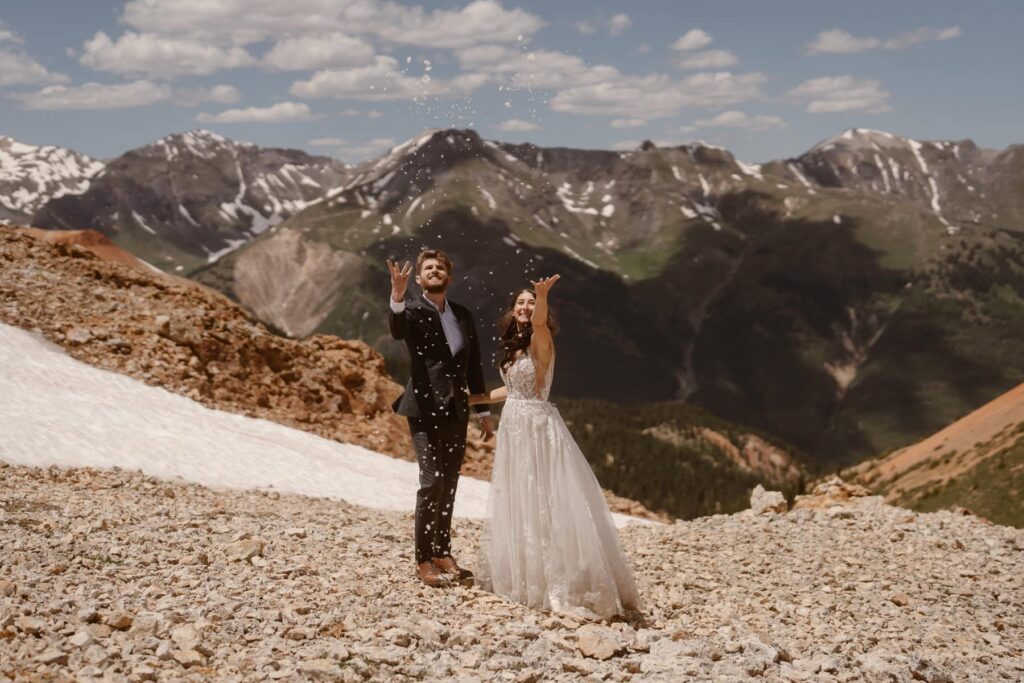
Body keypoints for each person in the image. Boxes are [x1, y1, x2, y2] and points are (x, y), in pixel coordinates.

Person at [472, 275, 641, 619]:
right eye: (520, 302)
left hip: (536, 428)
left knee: (544, 500)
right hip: (515, 427)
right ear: (510, 310)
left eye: (530, 303)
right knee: (520, 498)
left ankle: (556, 580)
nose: (525, 306)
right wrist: (475, 400)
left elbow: (537, 322)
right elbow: (512, 390)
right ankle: (526, 576)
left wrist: (542, 295)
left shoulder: (540, 338)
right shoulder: (514, 347)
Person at [387, 250, 493, 588]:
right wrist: (398, 297)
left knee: (449, 483)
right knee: (432, 482)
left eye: (440, 267)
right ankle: (423, 558)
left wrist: (484, 413)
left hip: (457, 410)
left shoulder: (463, 315)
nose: (434, 270)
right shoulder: (413, 311)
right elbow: (397, 330)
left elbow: (473, 364)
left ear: (449, 276)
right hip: (422, 407)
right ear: (419, 279)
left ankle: (443, 550)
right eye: (428, 268)